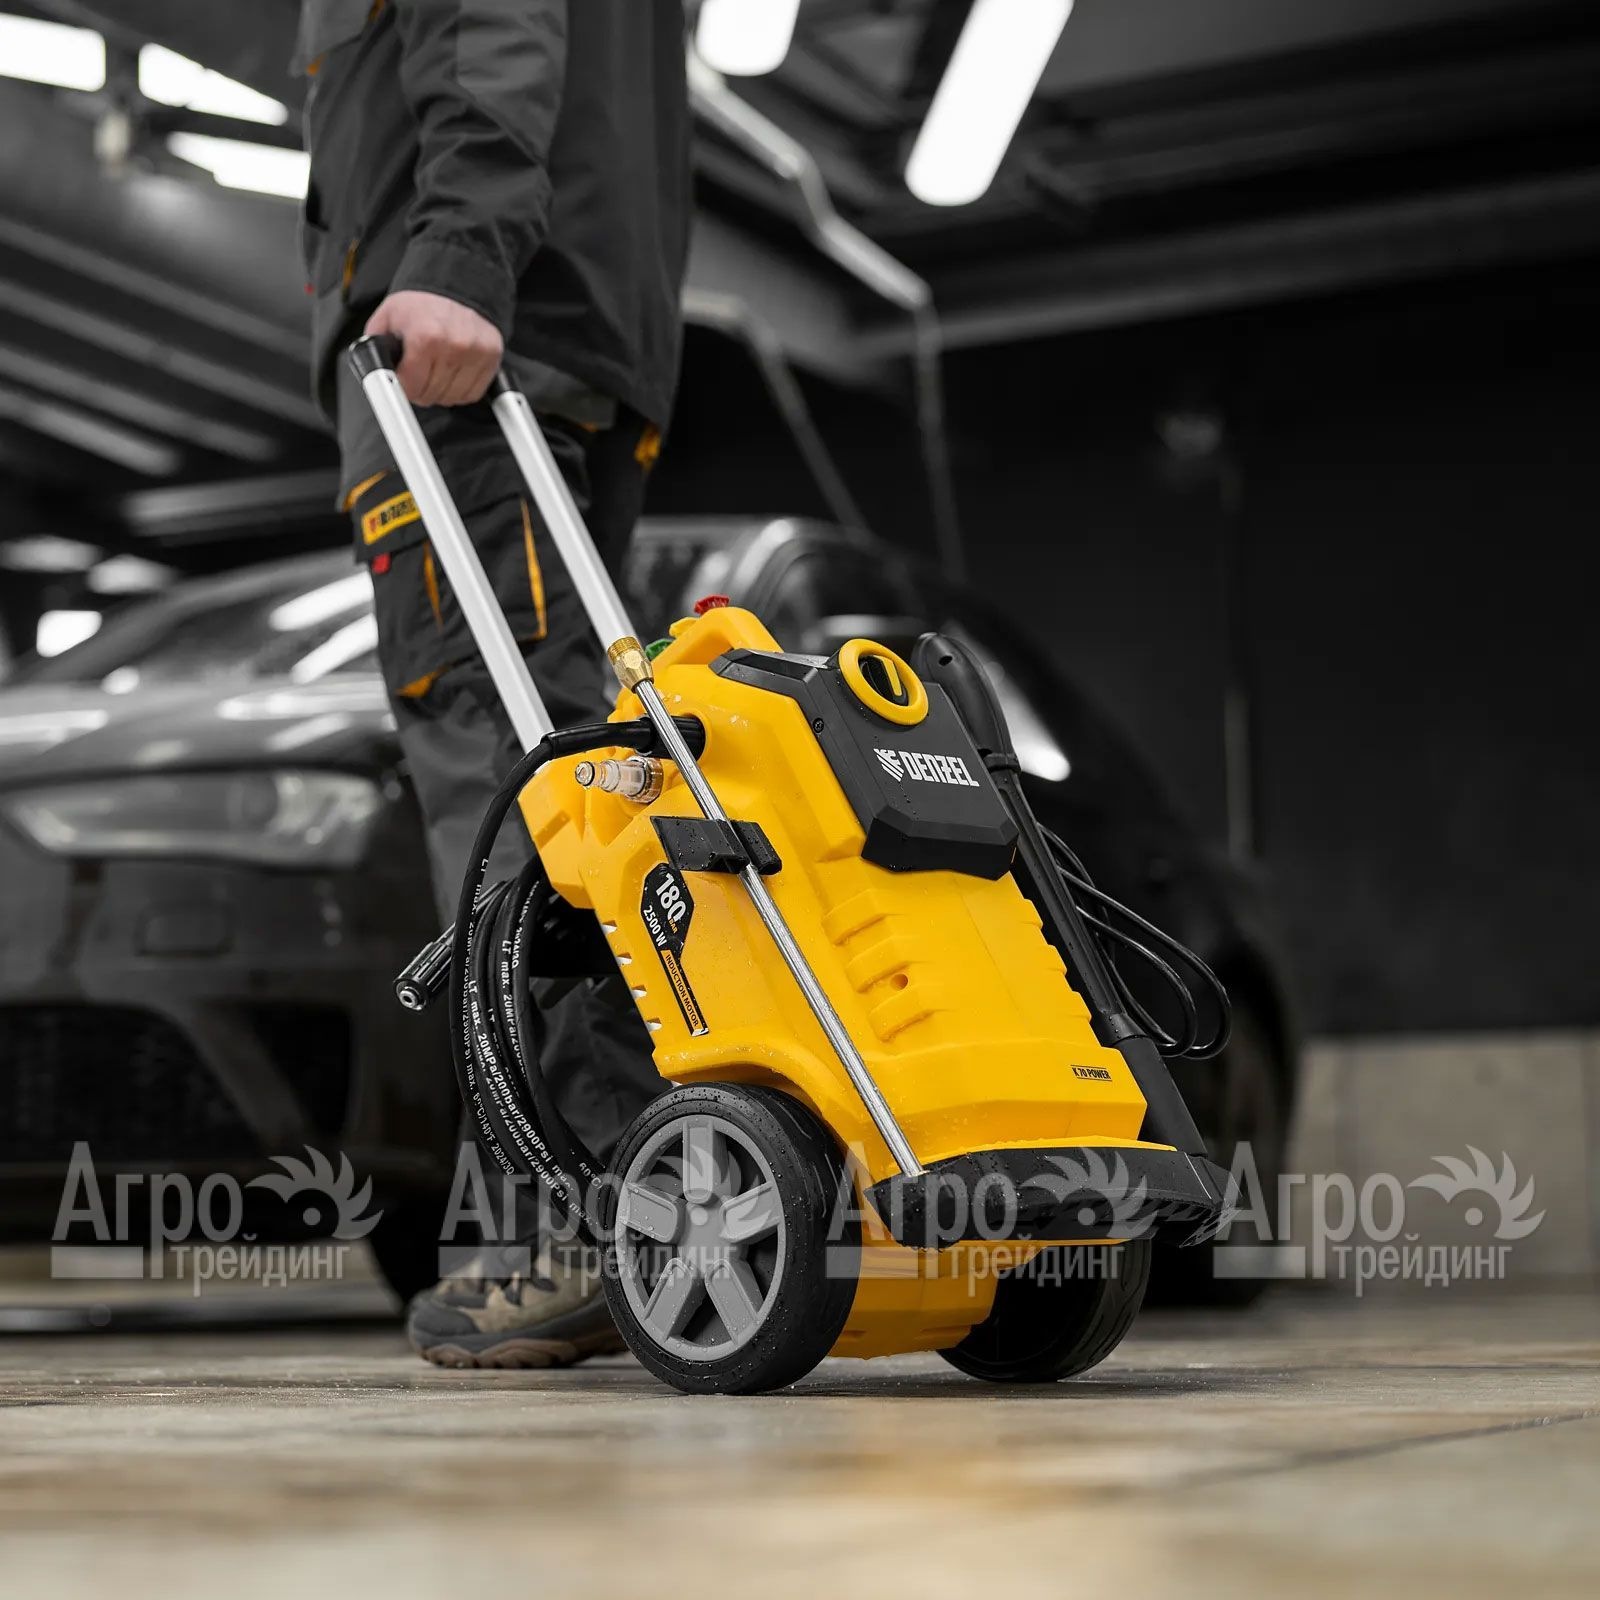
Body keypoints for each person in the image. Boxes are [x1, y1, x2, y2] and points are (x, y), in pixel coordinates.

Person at [295, 0, 691, 1367]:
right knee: (576, 775)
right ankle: (646, 1191)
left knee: (510, 778)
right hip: (579, 327)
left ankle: (587, 1223)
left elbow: (490, 21)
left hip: (468, 344)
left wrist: (459, 250)